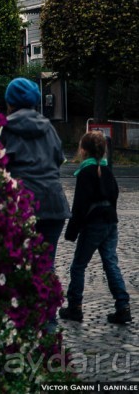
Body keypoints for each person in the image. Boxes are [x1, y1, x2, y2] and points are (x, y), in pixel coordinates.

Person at [59, 131, 131, 324]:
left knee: (78, 266)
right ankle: (123, 306)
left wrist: (72, 231)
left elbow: (80, 205)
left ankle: (75, 307)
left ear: (84, 150)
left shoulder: (85, 173)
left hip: (93, 225)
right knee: (111, 264)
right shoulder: (107, 170)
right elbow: (114, 195)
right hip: (110, 223)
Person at [0, 78, 70, 271]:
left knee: (19, 267)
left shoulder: (6, 129)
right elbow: (58, 160)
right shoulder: (49, 127)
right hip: (54, 203)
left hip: (23, 204)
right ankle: (48, 299)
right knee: (46, 267)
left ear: (9, 102)